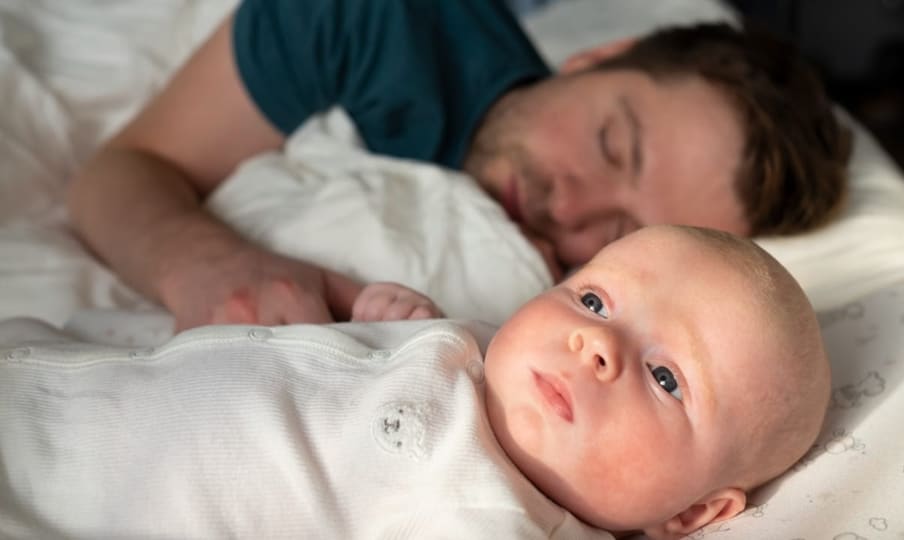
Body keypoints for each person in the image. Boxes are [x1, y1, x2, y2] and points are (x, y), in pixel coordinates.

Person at [0, 225, 832, 539]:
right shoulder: (485, 349)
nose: (594, 344)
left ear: (692, 513)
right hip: (65, 365)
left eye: (664, 376)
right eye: (591, 297)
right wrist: (387, 315)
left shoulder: (498, 519)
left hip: (63, 490)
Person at [66, 0, 851, 332]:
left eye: (621, 230)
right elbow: (124, 169)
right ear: (596, 57)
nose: (570, 208)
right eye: (612, 144)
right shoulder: (372, 23)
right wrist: (208, 264)